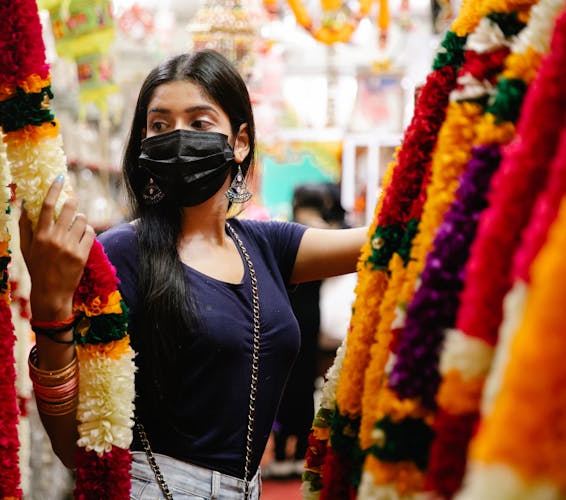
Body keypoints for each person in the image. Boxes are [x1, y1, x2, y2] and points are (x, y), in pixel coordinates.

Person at [19, 49, 366, 499]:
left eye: (200, 123)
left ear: (239, 141)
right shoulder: (121, 253)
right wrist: (48, 307)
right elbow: (74, 443)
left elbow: (386, 238)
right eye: (160, 125)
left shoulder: (265, 246)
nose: (178, 137)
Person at [265, 182, 356, 480]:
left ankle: (279, 451)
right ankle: (303, 448)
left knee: (282, 382)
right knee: (305, 384)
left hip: (282, 316)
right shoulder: (325, 236)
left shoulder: (285, 233)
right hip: (311, 319)